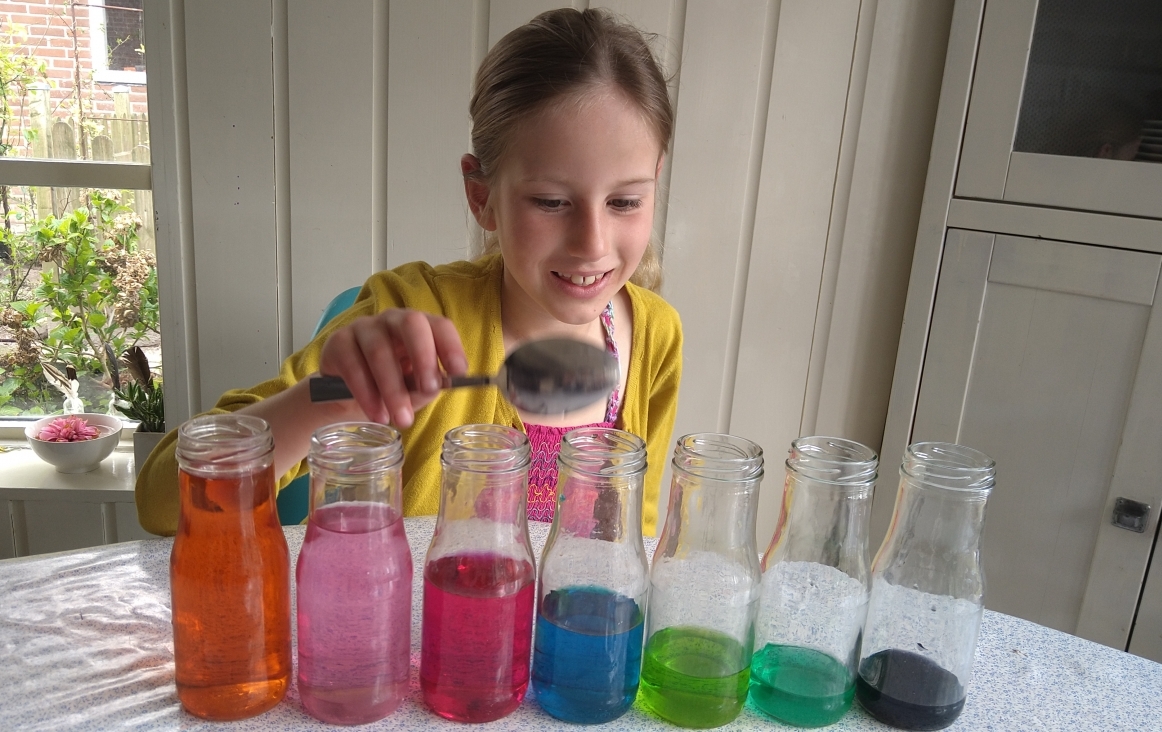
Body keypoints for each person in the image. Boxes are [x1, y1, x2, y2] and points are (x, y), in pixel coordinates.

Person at [136, 7, 683, 537]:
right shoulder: (411, 313)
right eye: (550, 202)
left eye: (626, 202)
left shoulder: (656, 338)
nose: (593, 242)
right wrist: (327, 399)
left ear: (656, 181)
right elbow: (162, 503)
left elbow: (641, 540)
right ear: (481, 196)